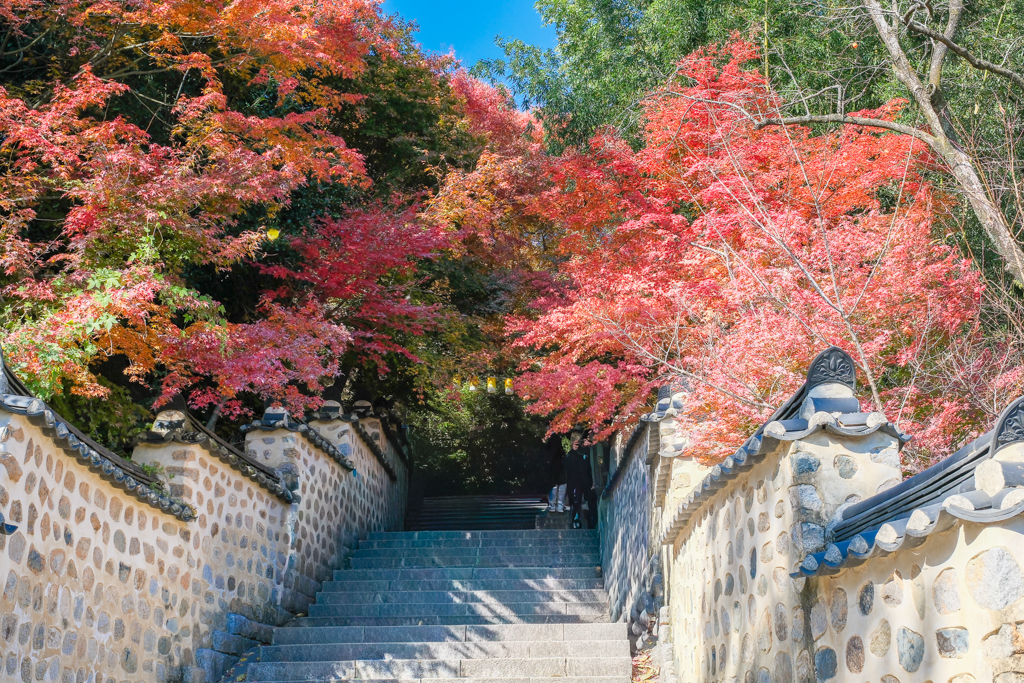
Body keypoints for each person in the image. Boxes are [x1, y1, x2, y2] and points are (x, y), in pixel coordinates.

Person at [563, 430, 597, 529]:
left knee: (590, 501)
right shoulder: (572, 454)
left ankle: (591, 521)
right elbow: (565, 464)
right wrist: (573, 450)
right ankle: (576, 519)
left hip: (587, 481)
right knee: (576, 501)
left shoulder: (587, 451)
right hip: (576, 481)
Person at [546, 437, 567, 512]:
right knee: (561, 487)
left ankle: (552, 505)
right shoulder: (561, 453)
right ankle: (559, 505)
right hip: (560, 470)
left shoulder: (550, 455)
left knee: (554, 487)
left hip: (554, 470)